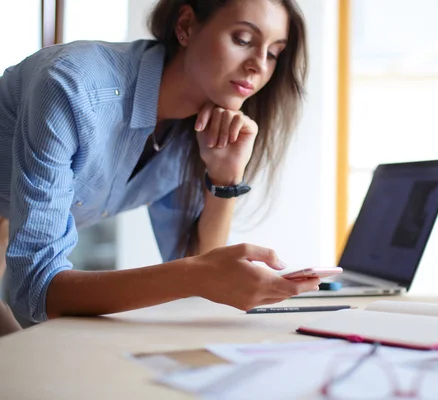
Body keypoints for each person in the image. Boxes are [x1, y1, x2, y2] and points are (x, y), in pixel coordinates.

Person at [0, 0, 320, 330]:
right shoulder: (74, 87)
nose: (258, 66)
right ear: (186, 26)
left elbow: (196, 266)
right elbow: (36, 290)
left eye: (273, 53)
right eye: (242, 39)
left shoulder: (196, 131)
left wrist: (225, 180)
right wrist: (200, 275)